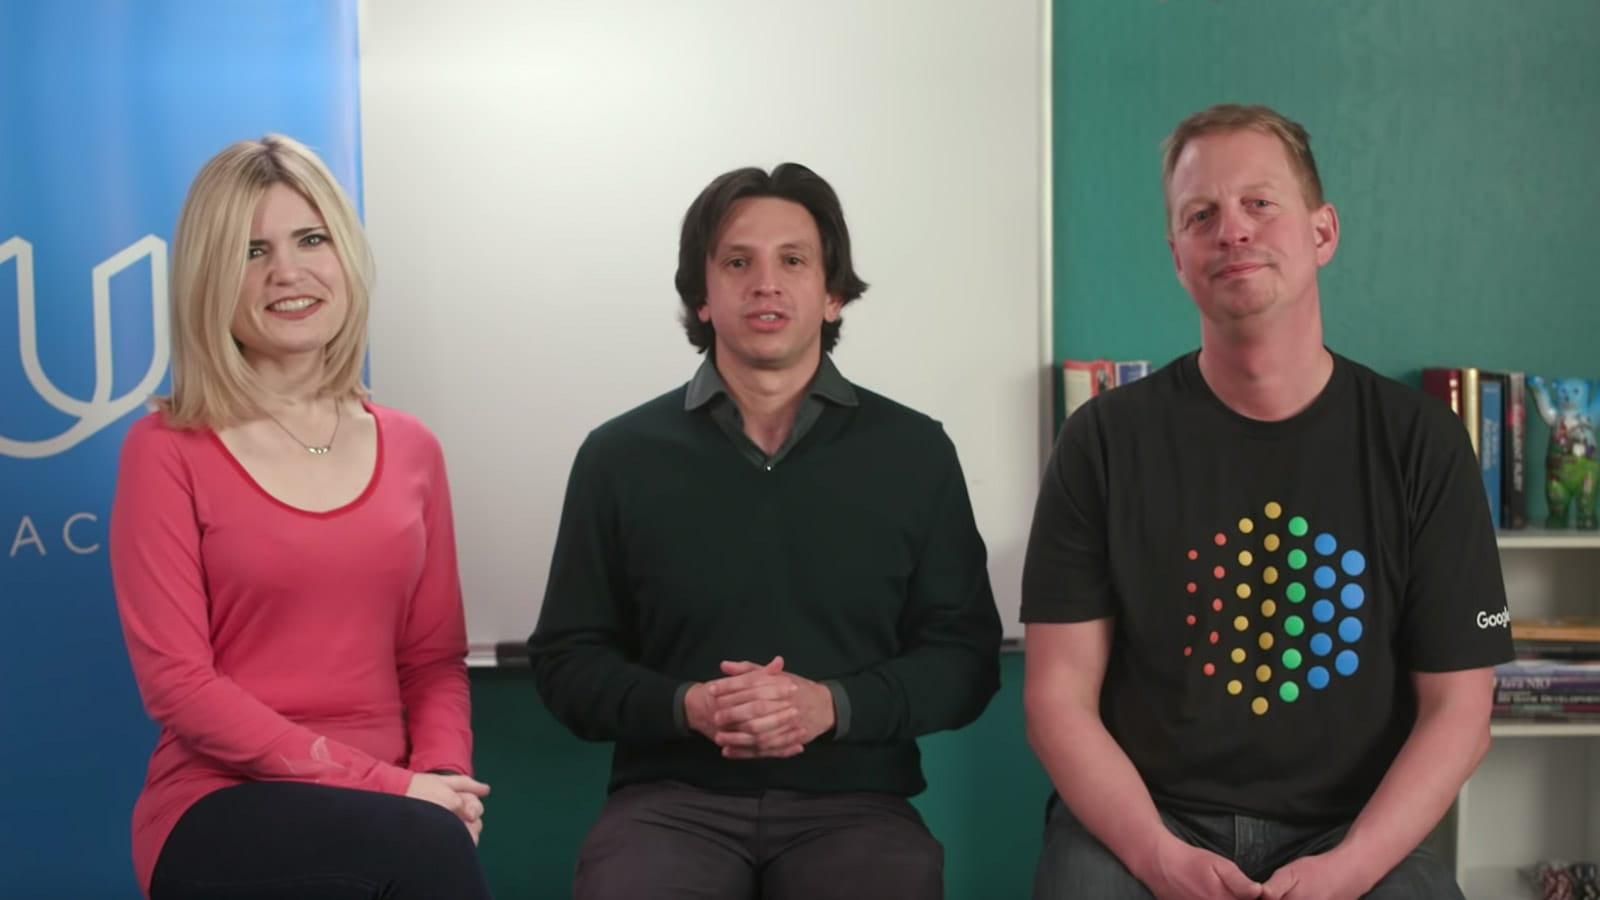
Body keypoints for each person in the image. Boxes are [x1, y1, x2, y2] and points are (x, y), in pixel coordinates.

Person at [1020, 104, 1513, 900]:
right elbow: (1056, 698)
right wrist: (1158, 856)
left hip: (1353, 829)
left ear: (1322, 232)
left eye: (1259, 203)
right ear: (1177, 256)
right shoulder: (1101, 440)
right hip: (1151, 819)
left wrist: (1349, 869)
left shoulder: (1421, 441)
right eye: (1201, 215)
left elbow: (1461, 709)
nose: (1233, 231)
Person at [528, 162, 1002, 900]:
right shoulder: (617, 456)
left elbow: (965, 659)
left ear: (833, 294)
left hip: (856, 807)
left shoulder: (916, 452)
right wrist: (689, 706)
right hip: (668, 806)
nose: (766, 284)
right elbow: (566, 660)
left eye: (794, 261)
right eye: (738, 263)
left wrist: (830, 707)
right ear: (702, 296)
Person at [109, 134, 493, 900]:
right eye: (251, 251)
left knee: (423, 844)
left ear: (345, 255)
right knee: (421, 849)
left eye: (310, 240)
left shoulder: (413, 449)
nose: (287, 271)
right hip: (220, 801)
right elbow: (179, 685)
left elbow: (433, 662)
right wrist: (394, 790)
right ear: (210, 278)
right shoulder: (165, 449)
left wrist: (443, 776)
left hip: (399, 810)